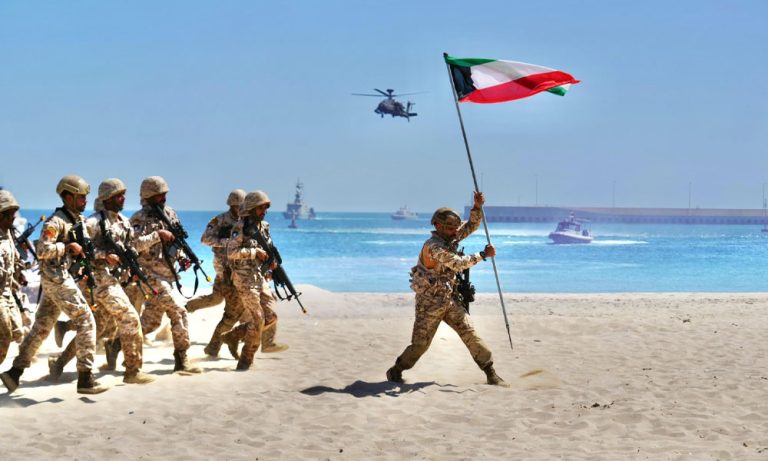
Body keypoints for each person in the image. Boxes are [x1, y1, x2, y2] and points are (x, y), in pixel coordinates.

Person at [385, 191, 506, 386]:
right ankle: (396, 370)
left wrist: (476, 207)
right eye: (450, 228)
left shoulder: (451, 238)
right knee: (420, 345)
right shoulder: (433, 247)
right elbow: (457, 264)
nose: (455, 231)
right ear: (438, 226)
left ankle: (491, 373)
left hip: (449, 301)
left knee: (470, 334)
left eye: (455, 228)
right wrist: (483, 255)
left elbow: (471, 225)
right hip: (429, 304)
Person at [1, 176, 109, 394]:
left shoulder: (77, 221)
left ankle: (15, 372)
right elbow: (42, 251)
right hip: (56, 279)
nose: (85, 201)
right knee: (86, 320)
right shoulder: (55, 222)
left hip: (61, 278)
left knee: (41, 327)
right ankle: (85, 378)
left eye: (85, 197)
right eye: (80, 197)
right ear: (68, 197)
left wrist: (82, 268)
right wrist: (66, 247)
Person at [49, 179, 155, 384]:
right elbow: (79, 250)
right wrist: (103, 255)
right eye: (118, 195)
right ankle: (132, 371)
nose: (123, 198)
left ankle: (58, 364)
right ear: (107, 198)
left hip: (114, 279)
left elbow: (133, 246)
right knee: (130, 317)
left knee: (97, 327)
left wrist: (154, 239)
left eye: (123, 194)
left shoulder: (123, 222)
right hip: (98, 279)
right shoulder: (93, 223)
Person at [129, 176, 201, 374]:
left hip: (168, 275)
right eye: (159, 195)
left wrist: (182, 257)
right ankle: (181, 359)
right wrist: (157, 235)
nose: (163, 198)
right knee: (179, 311)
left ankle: (116, 344)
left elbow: (177, 241)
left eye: (164, 194)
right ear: (148, 196)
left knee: (151, 321)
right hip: (149, 275)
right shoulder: (138, 219)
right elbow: (132, 246)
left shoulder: (170, 214)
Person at [225, 191, 283, 370]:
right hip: (244, 279)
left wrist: (271, 264)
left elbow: (268, 248)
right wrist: (253, 253)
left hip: (259, 277)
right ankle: (245, 361)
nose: (264, 211)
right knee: (258, 319)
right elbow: (231, 252)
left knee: (271, 316)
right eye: (260, 208)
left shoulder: (264, 226)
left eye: (265, 208)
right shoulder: (239, 227)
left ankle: (234, 335)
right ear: (250, 208)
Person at [0, 190, 24, 365]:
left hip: (7, 292)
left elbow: (12, 261)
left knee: (17, 332)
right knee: (5, 335)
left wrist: (18, 275)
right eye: (9, 214)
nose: (13, 218)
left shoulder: (8, 234)